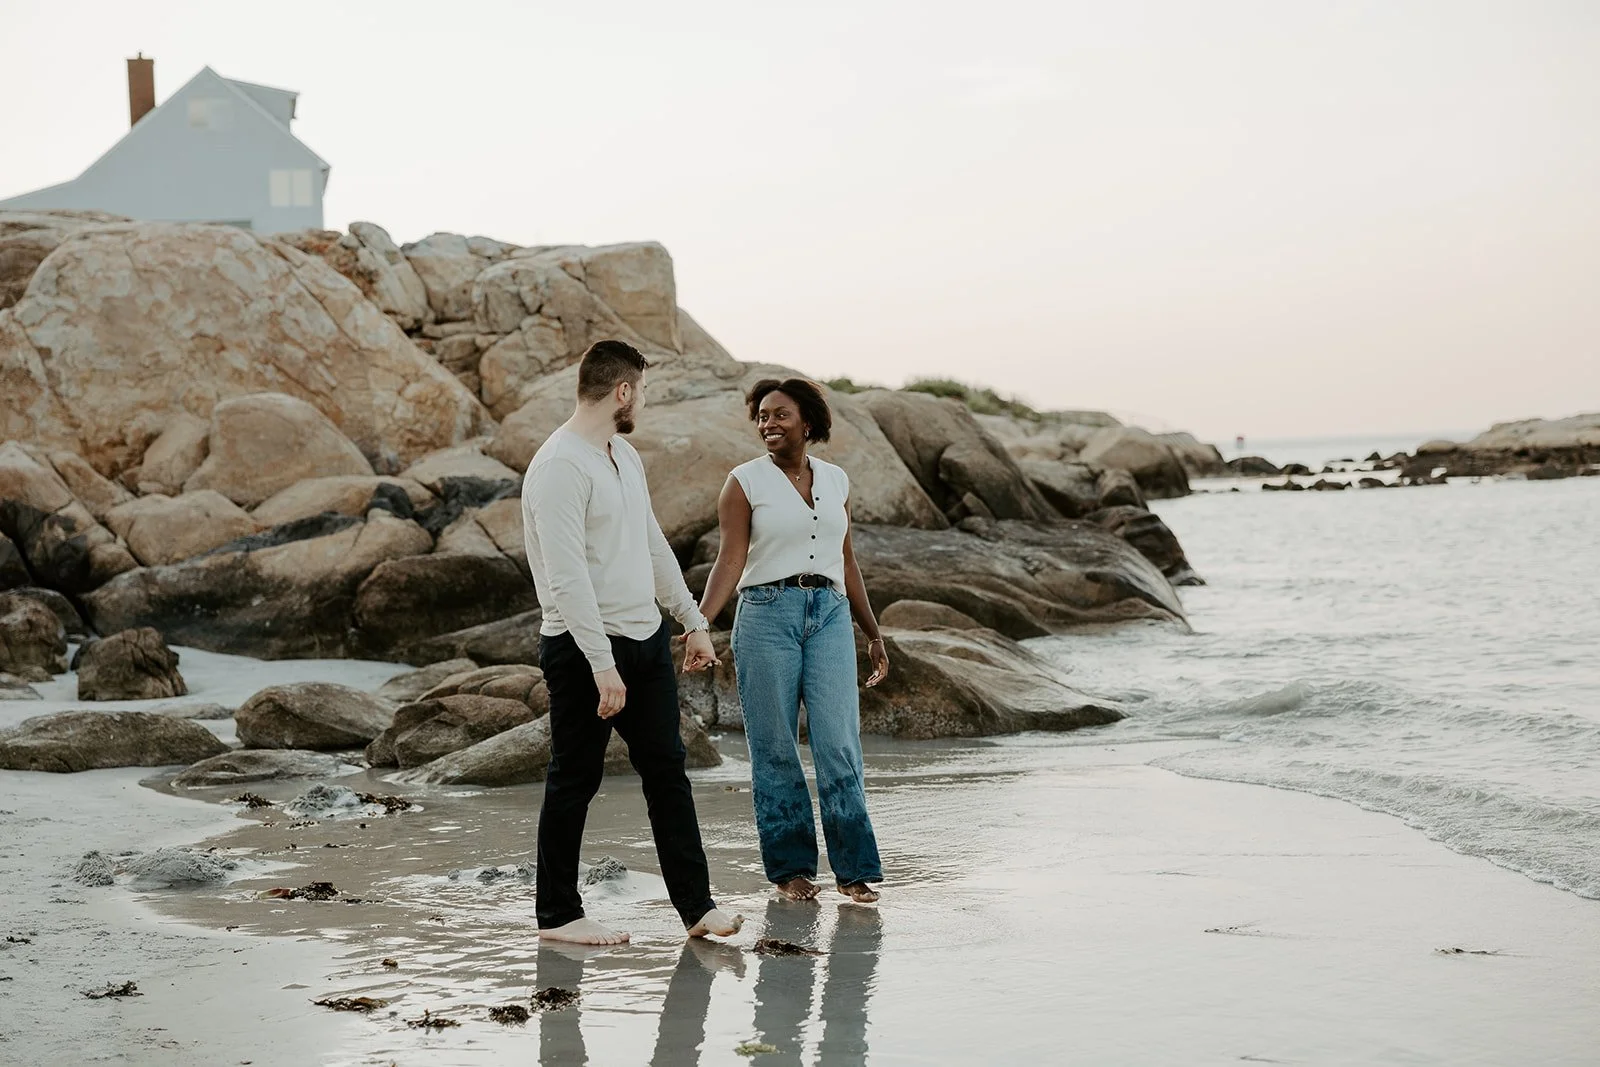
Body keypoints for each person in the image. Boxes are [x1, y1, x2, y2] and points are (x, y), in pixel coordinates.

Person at [521, 339, 743, 945]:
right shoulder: (559, 465)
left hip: (644, 641)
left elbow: (651, 544)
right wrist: (601, 666)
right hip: (583, 649)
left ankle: (696, 907)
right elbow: (566, 579)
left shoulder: (623, 455)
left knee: (668, 773)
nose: (642, 400)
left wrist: (691, 620)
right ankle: (559, 916)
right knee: (575, 778)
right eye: (641, 390)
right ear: (622, 391)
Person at [695, 377, 888, 904]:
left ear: (807, 421)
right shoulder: (743, 482)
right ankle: (791, 870)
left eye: (779, 414)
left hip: (830, 614)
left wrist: (872, 631)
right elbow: (730, 559)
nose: (768, 424)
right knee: (775, 747)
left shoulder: (837, 480)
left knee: (839, 743)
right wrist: (699, 622)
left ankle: (854, 870)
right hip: (765, 616)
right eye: (761, 416)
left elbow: (845, 560)